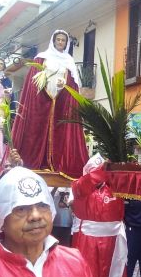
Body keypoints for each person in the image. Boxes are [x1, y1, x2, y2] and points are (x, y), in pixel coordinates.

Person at [11, 29, 89, 178]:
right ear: (53, 41)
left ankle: (58, 163)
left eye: (63, 40)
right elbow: (32, 83)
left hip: (61, 99)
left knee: (61, 130)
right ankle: (37, 162)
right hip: (42, 99)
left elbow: (73, 85)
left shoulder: (69, 62)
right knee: (37, 130)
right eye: (58, 39)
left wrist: (64, 86)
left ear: (66, 43)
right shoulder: (41, 58)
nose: (60, 42)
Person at [71, 154, 129, 277]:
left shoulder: (115, 187)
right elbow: (85, 184)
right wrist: (105, 169)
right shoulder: (80, 186)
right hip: (87, 242)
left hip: (113, 243)